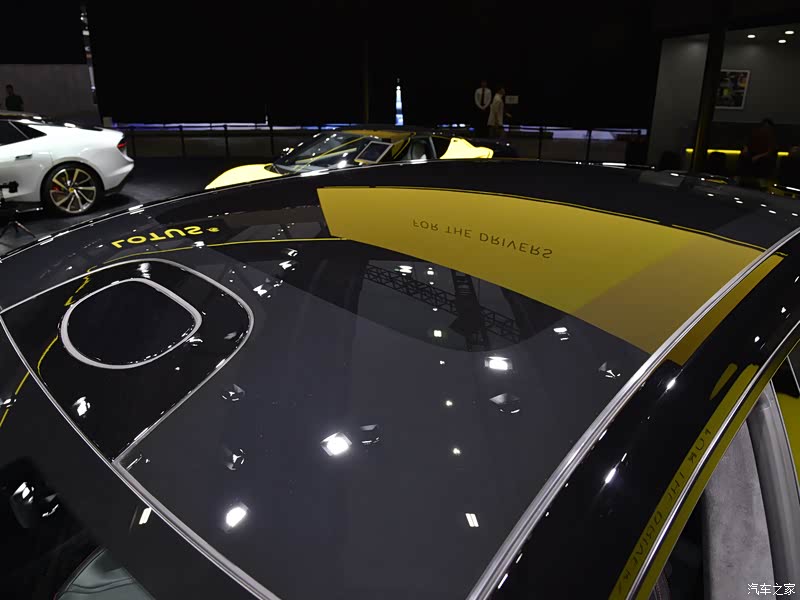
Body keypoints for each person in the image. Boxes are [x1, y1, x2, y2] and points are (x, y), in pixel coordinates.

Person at [740, 118, 777, 187]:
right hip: (752, 153)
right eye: (764, 126)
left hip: (764, 156)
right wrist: (745, 148)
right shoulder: (755, 134)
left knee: (763, 161)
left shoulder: (771, 137)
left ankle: (761, 181)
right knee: (743, 157)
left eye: (767, 127)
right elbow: (747, 143)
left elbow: (770, 152)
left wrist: (758, 156)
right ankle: (741, 179)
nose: (765, 128)